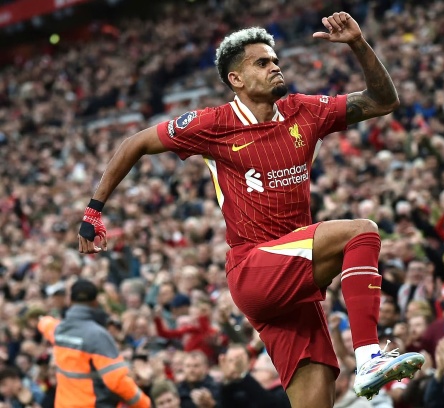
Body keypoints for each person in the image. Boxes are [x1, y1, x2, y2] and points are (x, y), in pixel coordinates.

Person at [76, 11, 423, 407]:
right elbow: (134, 143)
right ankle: (370, 358)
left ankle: (366, 363)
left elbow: (384, 101)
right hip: (254, 270)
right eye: (262, 62)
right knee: (362, 231)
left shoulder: (305, 110)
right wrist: (93, 212)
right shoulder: (212, 124)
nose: (274, 67)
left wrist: (359, 45)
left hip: (294, 281)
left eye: (275, 60)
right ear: (236, 80)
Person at [37, 279, 151, 408]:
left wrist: (42, 320)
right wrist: (144, 404)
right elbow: (116, 381)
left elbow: (45, 324)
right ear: (95, 302)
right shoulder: (98, 336)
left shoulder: (59, 330)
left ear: (69, 300)